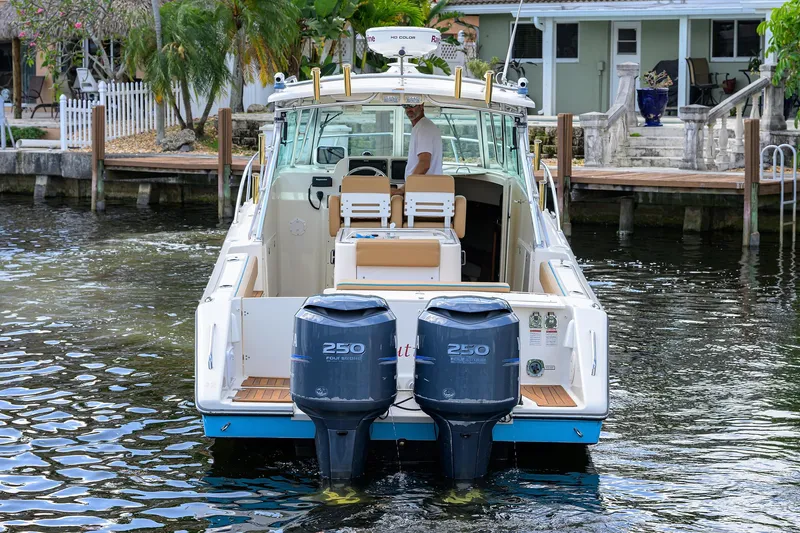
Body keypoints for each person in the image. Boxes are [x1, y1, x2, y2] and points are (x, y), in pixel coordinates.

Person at [403, 103, 443, 179]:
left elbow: (424, 164)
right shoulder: (421, 126)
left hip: (423, 185)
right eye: (405, 105)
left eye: (412, 105)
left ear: (421, 106)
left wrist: (406, 185)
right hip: (425, 184)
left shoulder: (424, 128)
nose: (408, 109)